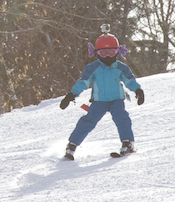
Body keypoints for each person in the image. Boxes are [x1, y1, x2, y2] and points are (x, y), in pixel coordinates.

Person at [59, 27, 144, 160]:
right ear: (97, 53)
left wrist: (137, 90)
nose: (108, 56)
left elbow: (129, 81)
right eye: (103, 53)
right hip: (99, 101)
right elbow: (83, 83)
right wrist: (71, 95)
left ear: (117, 51)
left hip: (116, 100)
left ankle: (127, 143)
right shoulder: (93, 68)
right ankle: (72, 145)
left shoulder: (121, 67)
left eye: (111, 52)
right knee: (88, 121)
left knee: (122, 118)